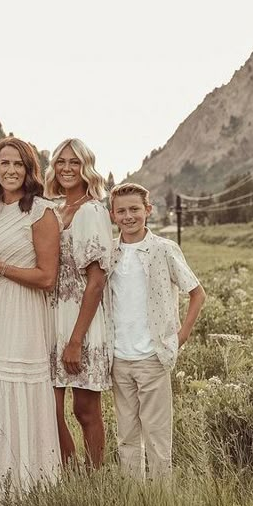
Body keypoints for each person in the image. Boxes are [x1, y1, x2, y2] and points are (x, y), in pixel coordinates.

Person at [0, 138, 60, 506]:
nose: (10, 170)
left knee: (22, 388)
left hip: (26, 312)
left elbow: (47, 276)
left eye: (18, 164)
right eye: (4, 163)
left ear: (29, 170)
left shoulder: (40, 212)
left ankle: (35, 486)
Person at [109, 182, 206, 478]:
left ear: (148, 210)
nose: (129, 216)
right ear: (113, 215)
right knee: (126, 436)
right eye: (121, 211)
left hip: (153, 356)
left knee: (157, 436)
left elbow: (197, 292)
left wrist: (180, 336)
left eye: (135, 209)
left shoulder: (163, 249)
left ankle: (162, 498)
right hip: (118, 357)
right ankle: (133, 496)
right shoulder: (109, 252)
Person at [45, 138, 112, 468]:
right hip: (52, 319)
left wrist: (76, 341)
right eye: (61, 162)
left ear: (86, 168)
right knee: (50, 407)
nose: (67, 168)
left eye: (74, 162)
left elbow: (97, 281)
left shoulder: (92, 210)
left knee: (84, 409)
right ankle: (70, 472)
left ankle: (96, 478)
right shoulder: (55, 210)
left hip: (81, 322)